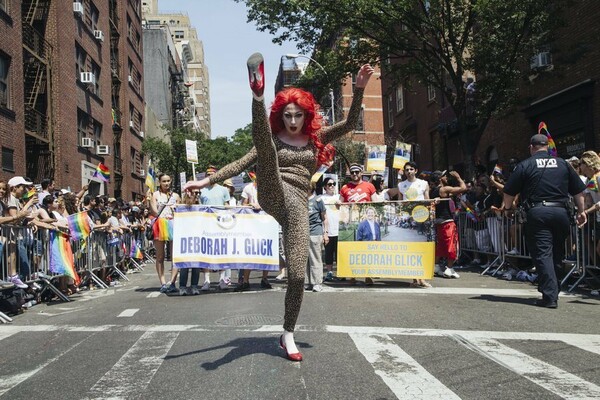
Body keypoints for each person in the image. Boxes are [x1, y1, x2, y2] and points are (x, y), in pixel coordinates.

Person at [184, 53, 373, 361]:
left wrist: (360, 87)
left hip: (298, 207)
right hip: (272, 192)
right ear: (280, 116)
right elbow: (240, 163)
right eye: (288, 116)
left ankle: (287, 333)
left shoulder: (316, 138)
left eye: (298, 115)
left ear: (306, 115)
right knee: (267, 151)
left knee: (298, 276)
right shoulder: (273, 136)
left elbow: (351, 123)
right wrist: (206, 183)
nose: (293, 121)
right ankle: (257, 95)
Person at [502, 134, 587, 308]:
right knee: (557, 253)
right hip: (562, 212)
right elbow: (579, 191)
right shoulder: (563, 164)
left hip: (538, 213)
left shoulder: (525, 165)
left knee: (543, 254)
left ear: (531, 147)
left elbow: (509, 191)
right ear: (547, 146)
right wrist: (582, 211)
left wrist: (508, 209)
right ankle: (553, 289)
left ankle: (550, 296)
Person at [340, 163, 376, 285]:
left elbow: (376, 202)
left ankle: (368, 276)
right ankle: (352, 275)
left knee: (366, 250)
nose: (354, 174)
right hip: (351, 223)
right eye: (352, 172)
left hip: (366, 223)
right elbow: (340, 204)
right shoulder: (345, 187)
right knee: (352, 250)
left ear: (361, 173)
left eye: (357, 172)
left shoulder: (369, 186)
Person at [398, 161, 431, 287]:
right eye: (407, 170)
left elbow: (428, 200)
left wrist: (435, 202)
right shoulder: (401, 185)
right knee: (411, 250)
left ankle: (422, 278)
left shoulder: (423, 183)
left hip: (422, 219)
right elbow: (399, 204)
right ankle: (414, 278)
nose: (409, 172)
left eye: (411, 169)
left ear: (416, 170)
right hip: (408, 220)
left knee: (422, 249)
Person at [430, 170, 467, 279]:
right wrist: (459, 178)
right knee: (452, 245)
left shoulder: (434, 191)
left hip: (439, 223)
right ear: (440, 178)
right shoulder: (444, 189)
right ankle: (449, 269)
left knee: (441, 245)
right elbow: (464, 188)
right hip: (447, 222)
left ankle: (436, 266)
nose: (446, 177)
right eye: (444, 176)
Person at [149, 173, 181, 293]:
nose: (166, 183)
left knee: (175, 256)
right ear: (159, 182)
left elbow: (180, 210)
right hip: (160, 224)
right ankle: (162, 282)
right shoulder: (155, 195)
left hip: (173, 223)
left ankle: (172, 282)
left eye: (168, 181)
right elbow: (154, 212)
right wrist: (150, 202)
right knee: (160, 256)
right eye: (164, 181)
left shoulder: (176, 196)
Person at [306, 185, 328, 292]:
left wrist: (326, 233)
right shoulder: (301, 200)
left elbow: (324, 218)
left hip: (315, 232)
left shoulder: (318, 200)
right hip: (303, 233)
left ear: (311, 188)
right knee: (306, 260)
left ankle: (317, 282)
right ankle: (309, 282)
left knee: (315, 258)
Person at [321, 176, 340, 281]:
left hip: (339, 229)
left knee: (339, 253)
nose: (332, 186)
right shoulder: (321, 198)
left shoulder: (339, 197)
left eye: (333, 184)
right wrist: (325, 232)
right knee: (328, 252)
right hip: (327, 230)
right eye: (329, 184)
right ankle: (329, 273)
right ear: (325, 187)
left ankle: (340, 273)